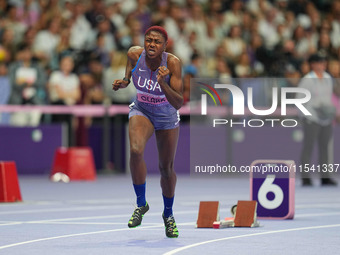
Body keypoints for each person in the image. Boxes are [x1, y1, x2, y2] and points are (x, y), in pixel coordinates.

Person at [112, 26, 183, 238]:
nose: (151, 44)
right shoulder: (135, 54)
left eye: (157, 42)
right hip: (142, 109)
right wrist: (125, 80)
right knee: (135, 150)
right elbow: (131, 67)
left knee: (165, 169)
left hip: (166, 115)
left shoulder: (172, 63)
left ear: (164, 46)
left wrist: (163, 84)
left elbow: (178, 102)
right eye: (148, 40)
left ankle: (168, 215)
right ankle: (141, 204)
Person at [298, 53, 338, 186]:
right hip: (312, 117)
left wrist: (331, 111)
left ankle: (325, 176)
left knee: (325, 147)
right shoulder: (307, 80)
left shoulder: (327, 78)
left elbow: (329, 96)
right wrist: (305, 116)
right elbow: (299, 100)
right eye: (319, 62)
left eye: (324, 62)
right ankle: (305, 176)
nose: (322, 65)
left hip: (325, 118)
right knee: (308, 147)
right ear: (313, 64)